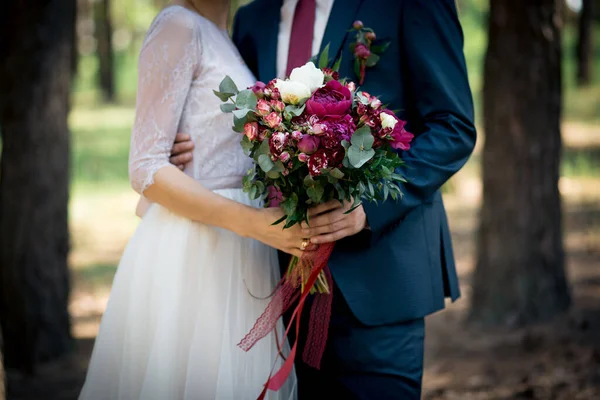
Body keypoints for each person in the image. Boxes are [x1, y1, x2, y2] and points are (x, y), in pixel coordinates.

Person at [171, 0, 476, 398]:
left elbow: (452, 128)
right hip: (275, 283)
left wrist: (370, 206)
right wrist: (191, 148)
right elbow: (244, 127)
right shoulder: (252, 18)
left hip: (380, 282)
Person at [79, 1, 300, 398]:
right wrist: (253, 223)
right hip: (197, 250)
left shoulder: (226, 33)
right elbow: (146, 167)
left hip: (244, 249)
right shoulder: (178, 24)